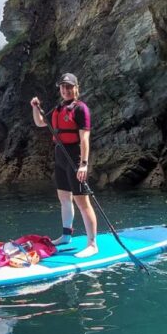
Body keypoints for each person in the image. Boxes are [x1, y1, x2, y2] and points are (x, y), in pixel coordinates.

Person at [30, 73, 98, 258]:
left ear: (76, 88)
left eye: (69, 87)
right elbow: (40, 122)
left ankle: (92, 244)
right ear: (60, 89)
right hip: (60, 157)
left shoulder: (81, 109)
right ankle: (66, 236)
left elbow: (84, 139)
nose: (66, 90)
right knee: (64, 198)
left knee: (82, 201)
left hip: (75, 158)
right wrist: (36, 107)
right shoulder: (58, 109)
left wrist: (84, 164)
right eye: (63, 87)